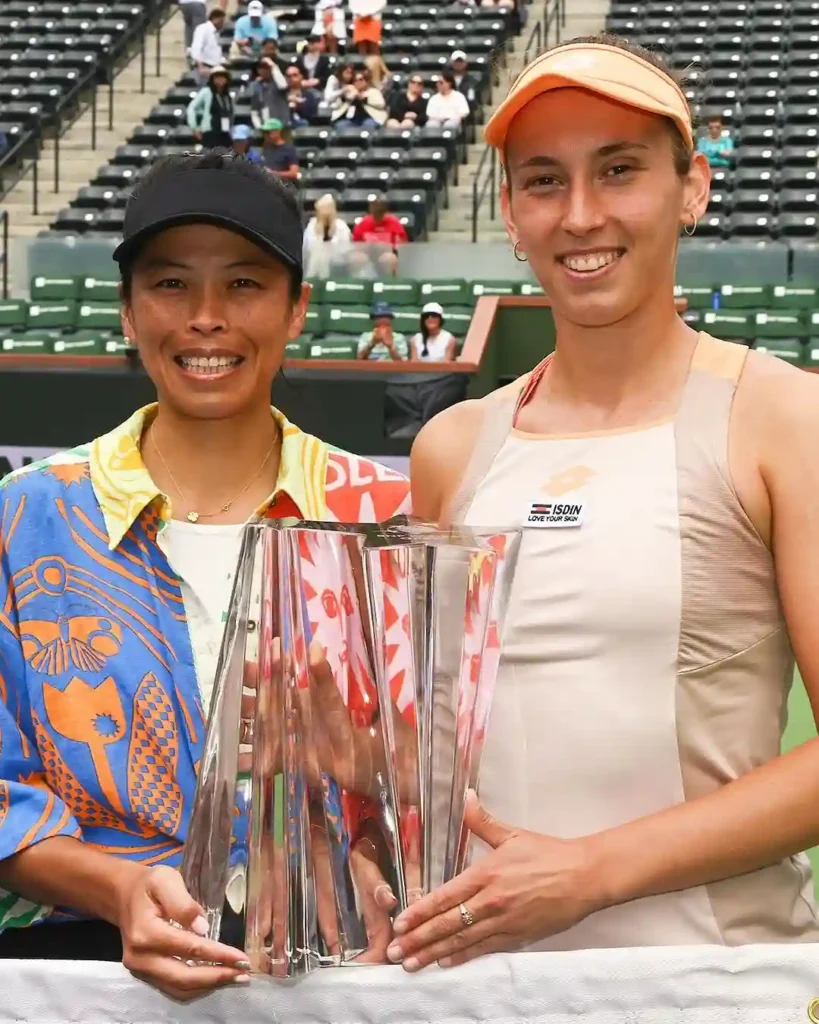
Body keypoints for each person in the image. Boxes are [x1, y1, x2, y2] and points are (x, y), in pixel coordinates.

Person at [392, 34, 819, 972]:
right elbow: (426, 740)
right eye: (543, 181)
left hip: (712, 985)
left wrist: (589, 872)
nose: (581, 215)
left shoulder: (786, 418)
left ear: (692, 186)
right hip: (475, 985)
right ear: (510, 211)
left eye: (617, 170)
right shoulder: (452, 447)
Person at [0, 151, 410, 988]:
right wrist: (121, 890)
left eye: (246, 284)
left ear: (297, 308)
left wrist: (374, 816)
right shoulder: (25, 516)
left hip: (345, 973)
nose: (207, 317)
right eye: (172, 284)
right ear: (126, 310)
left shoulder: (383, 515)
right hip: (87, 975)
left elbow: (448, 774)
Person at [351, 197, 408, 275]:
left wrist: (389, 247)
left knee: (389, 258)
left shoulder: (394, 222)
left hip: (386, 254)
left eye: (380, 214)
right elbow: (356, 244)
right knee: (356, 258)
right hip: (367, 254)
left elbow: (402, 244)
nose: (377, 217)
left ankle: (390, 283)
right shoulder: (363, 223)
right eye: (375, 214)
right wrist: (367, 247)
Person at [303, 193, 353, 278]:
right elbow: (306, 248)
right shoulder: (311, 225)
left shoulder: (341, 227)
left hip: (337, 267)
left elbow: (345, 251)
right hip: (314, 265)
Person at [186, 66, 234, 149]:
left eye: (222, 77)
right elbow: (192, 108)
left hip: (225, 131)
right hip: (210, 131)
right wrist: (194, 127)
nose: (220, 79)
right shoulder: (206, 92)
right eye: (217, 77)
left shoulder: (227, 95)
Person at [248, 55, 289, 129]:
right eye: (261, 68)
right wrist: (258, 126)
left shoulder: (278, 82)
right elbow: (254, 110)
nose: (263, 70)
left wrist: (273, 66)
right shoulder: (256, 85)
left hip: (282, 124)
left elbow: (283, 86)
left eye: (266, 68)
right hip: (265, 126)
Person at [189, 7, 226, 84]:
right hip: (204, 68)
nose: (223, 23)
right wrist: (201, 67)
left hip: (214, 68)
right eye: (222, 20)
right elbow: (196, 48)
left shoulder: (216, 33)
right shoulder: (203, 28)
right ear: (215, 19)